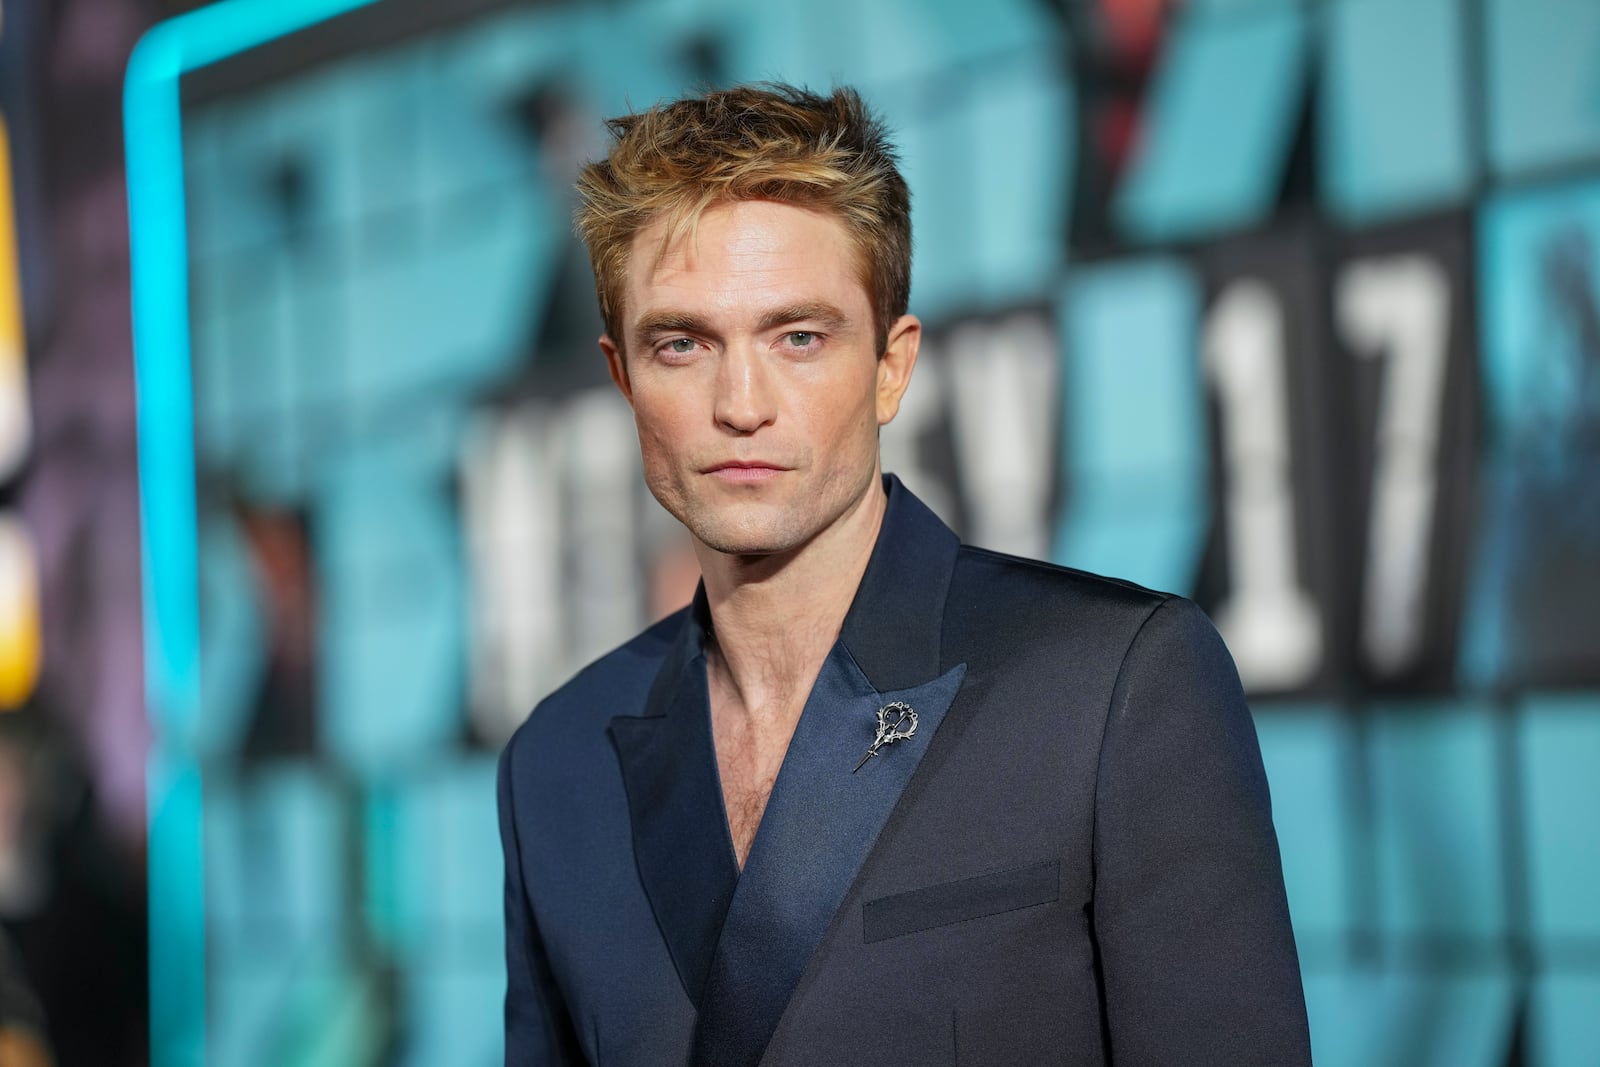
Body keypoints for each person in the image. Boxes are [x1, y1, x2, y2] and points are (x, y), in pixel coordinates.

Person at [498, 83, 1312, 1067]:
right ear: (624, 377)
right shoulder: (557, 760)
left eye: (798, 336)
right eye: (683, 343)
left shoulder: (1114, 686)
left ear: (892, 364)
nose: (740, 403)